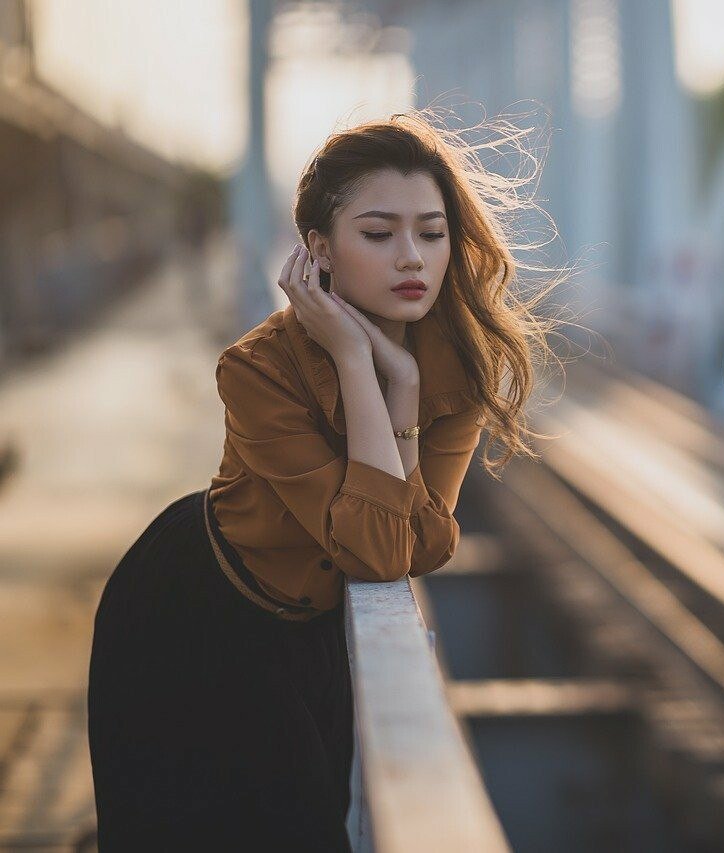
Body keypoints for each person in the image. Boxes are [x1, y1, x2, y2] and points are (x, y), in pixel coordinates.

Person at [87, 110, 563, 852]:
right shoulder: (257, 371)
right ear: (319, 251)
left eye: (432, 233)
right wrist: (355, 361)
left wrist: (400, 384)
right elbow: (380, 548)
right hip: (194, 615)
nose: (412, 258)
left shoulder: (457, 369)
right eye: (378, 234)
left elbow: (423, 544)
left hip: (309, 639)